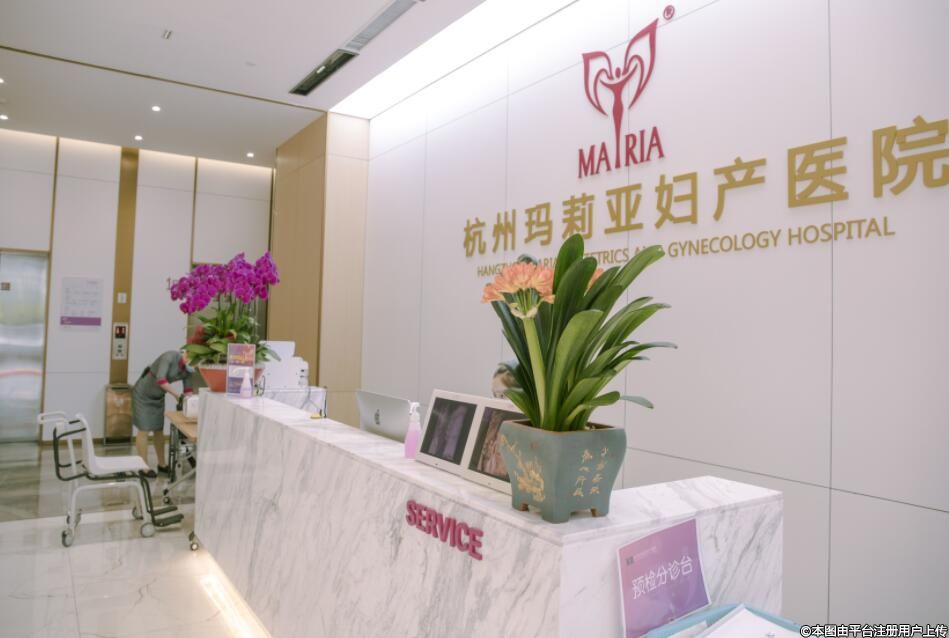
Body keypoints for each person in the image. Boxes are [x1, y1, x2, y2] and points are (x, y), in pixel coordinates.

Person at [131, 350, 194, 478]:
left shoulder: (189, 371)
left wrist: (190, 402)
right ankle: (143, 467)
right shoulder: (169, 357)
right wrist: (176, 395)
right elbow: (161, 379)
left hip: (158, 397)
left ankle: (162, 464)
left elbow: (188, 390)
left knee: (158, 430)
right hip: (143, 395)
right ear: (186, 353)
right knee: (144, 430)